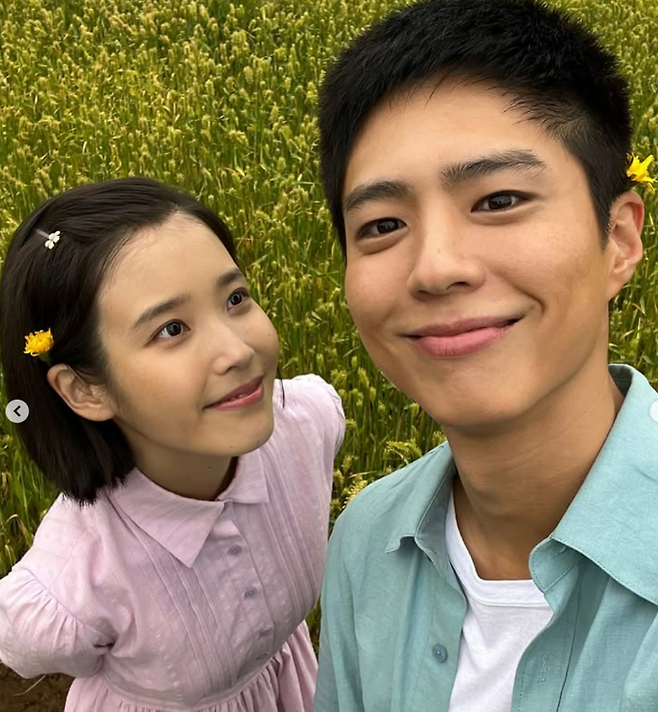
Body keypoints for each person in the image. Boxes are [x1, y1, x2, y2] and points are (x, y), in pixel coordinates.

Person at [314, 0, 656, 710]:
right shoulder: (365, 541)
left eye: (498, 200)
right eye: (382, 224)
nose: (436, 267)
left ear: (620, 240)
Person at [0, 177, 345, 712]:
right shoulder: (75, 577)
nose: (237, 351)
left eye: (235, 298)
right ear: (85, 389)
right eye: (172, 329)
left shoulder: (307, 424)